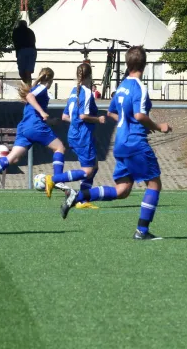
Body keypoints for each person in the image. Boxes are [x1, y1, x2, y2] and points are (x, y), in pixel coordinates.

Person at [60, 46, 172, 240]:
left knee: (123, 190)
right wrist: (158, 125)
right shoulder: (139, 87)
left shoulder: (121, 87)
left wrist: (128, 119)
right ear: (144, 65)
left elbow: (112, 112)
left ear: (127, 64)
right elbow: (139, 114)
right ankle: (142, 231)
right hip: (135, 143)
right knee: (154, 185)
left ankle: (77, 196)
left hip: (120, 143)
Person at [0, 68, 68, 197]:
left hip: (25, 127)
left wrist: (50, 121)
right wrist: (43, 113)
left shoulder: (35, 88)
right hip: (34, 126)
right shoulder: (41, 88)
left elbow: (32, 109)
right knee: (60, 148)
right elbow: (29, 97)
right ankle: (58, 180)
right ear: (50, 80)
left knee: (13, 158)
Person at [44, 64, 105, 208]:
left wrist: (78, 122)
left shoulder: (73, 91)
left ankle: (83, 199)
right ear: (90, 76)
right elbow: (83, 116)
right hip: (83, 136)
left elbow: (65, 117)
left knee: (94, 165)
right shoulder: (87, 93)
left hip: (75, 133)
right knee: (88, 170)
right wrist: (98, 119)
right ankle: (53, 179)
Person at [12, 20, 37, 84]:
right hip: (32, 51)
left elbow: (15, 42)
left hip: (22, 51)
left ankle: (27, 87)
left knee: (22, 73)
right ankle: (29, 87)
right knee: (28, 73)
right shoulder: (30, 31)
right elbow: (34, 41)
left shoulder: (16, 31)